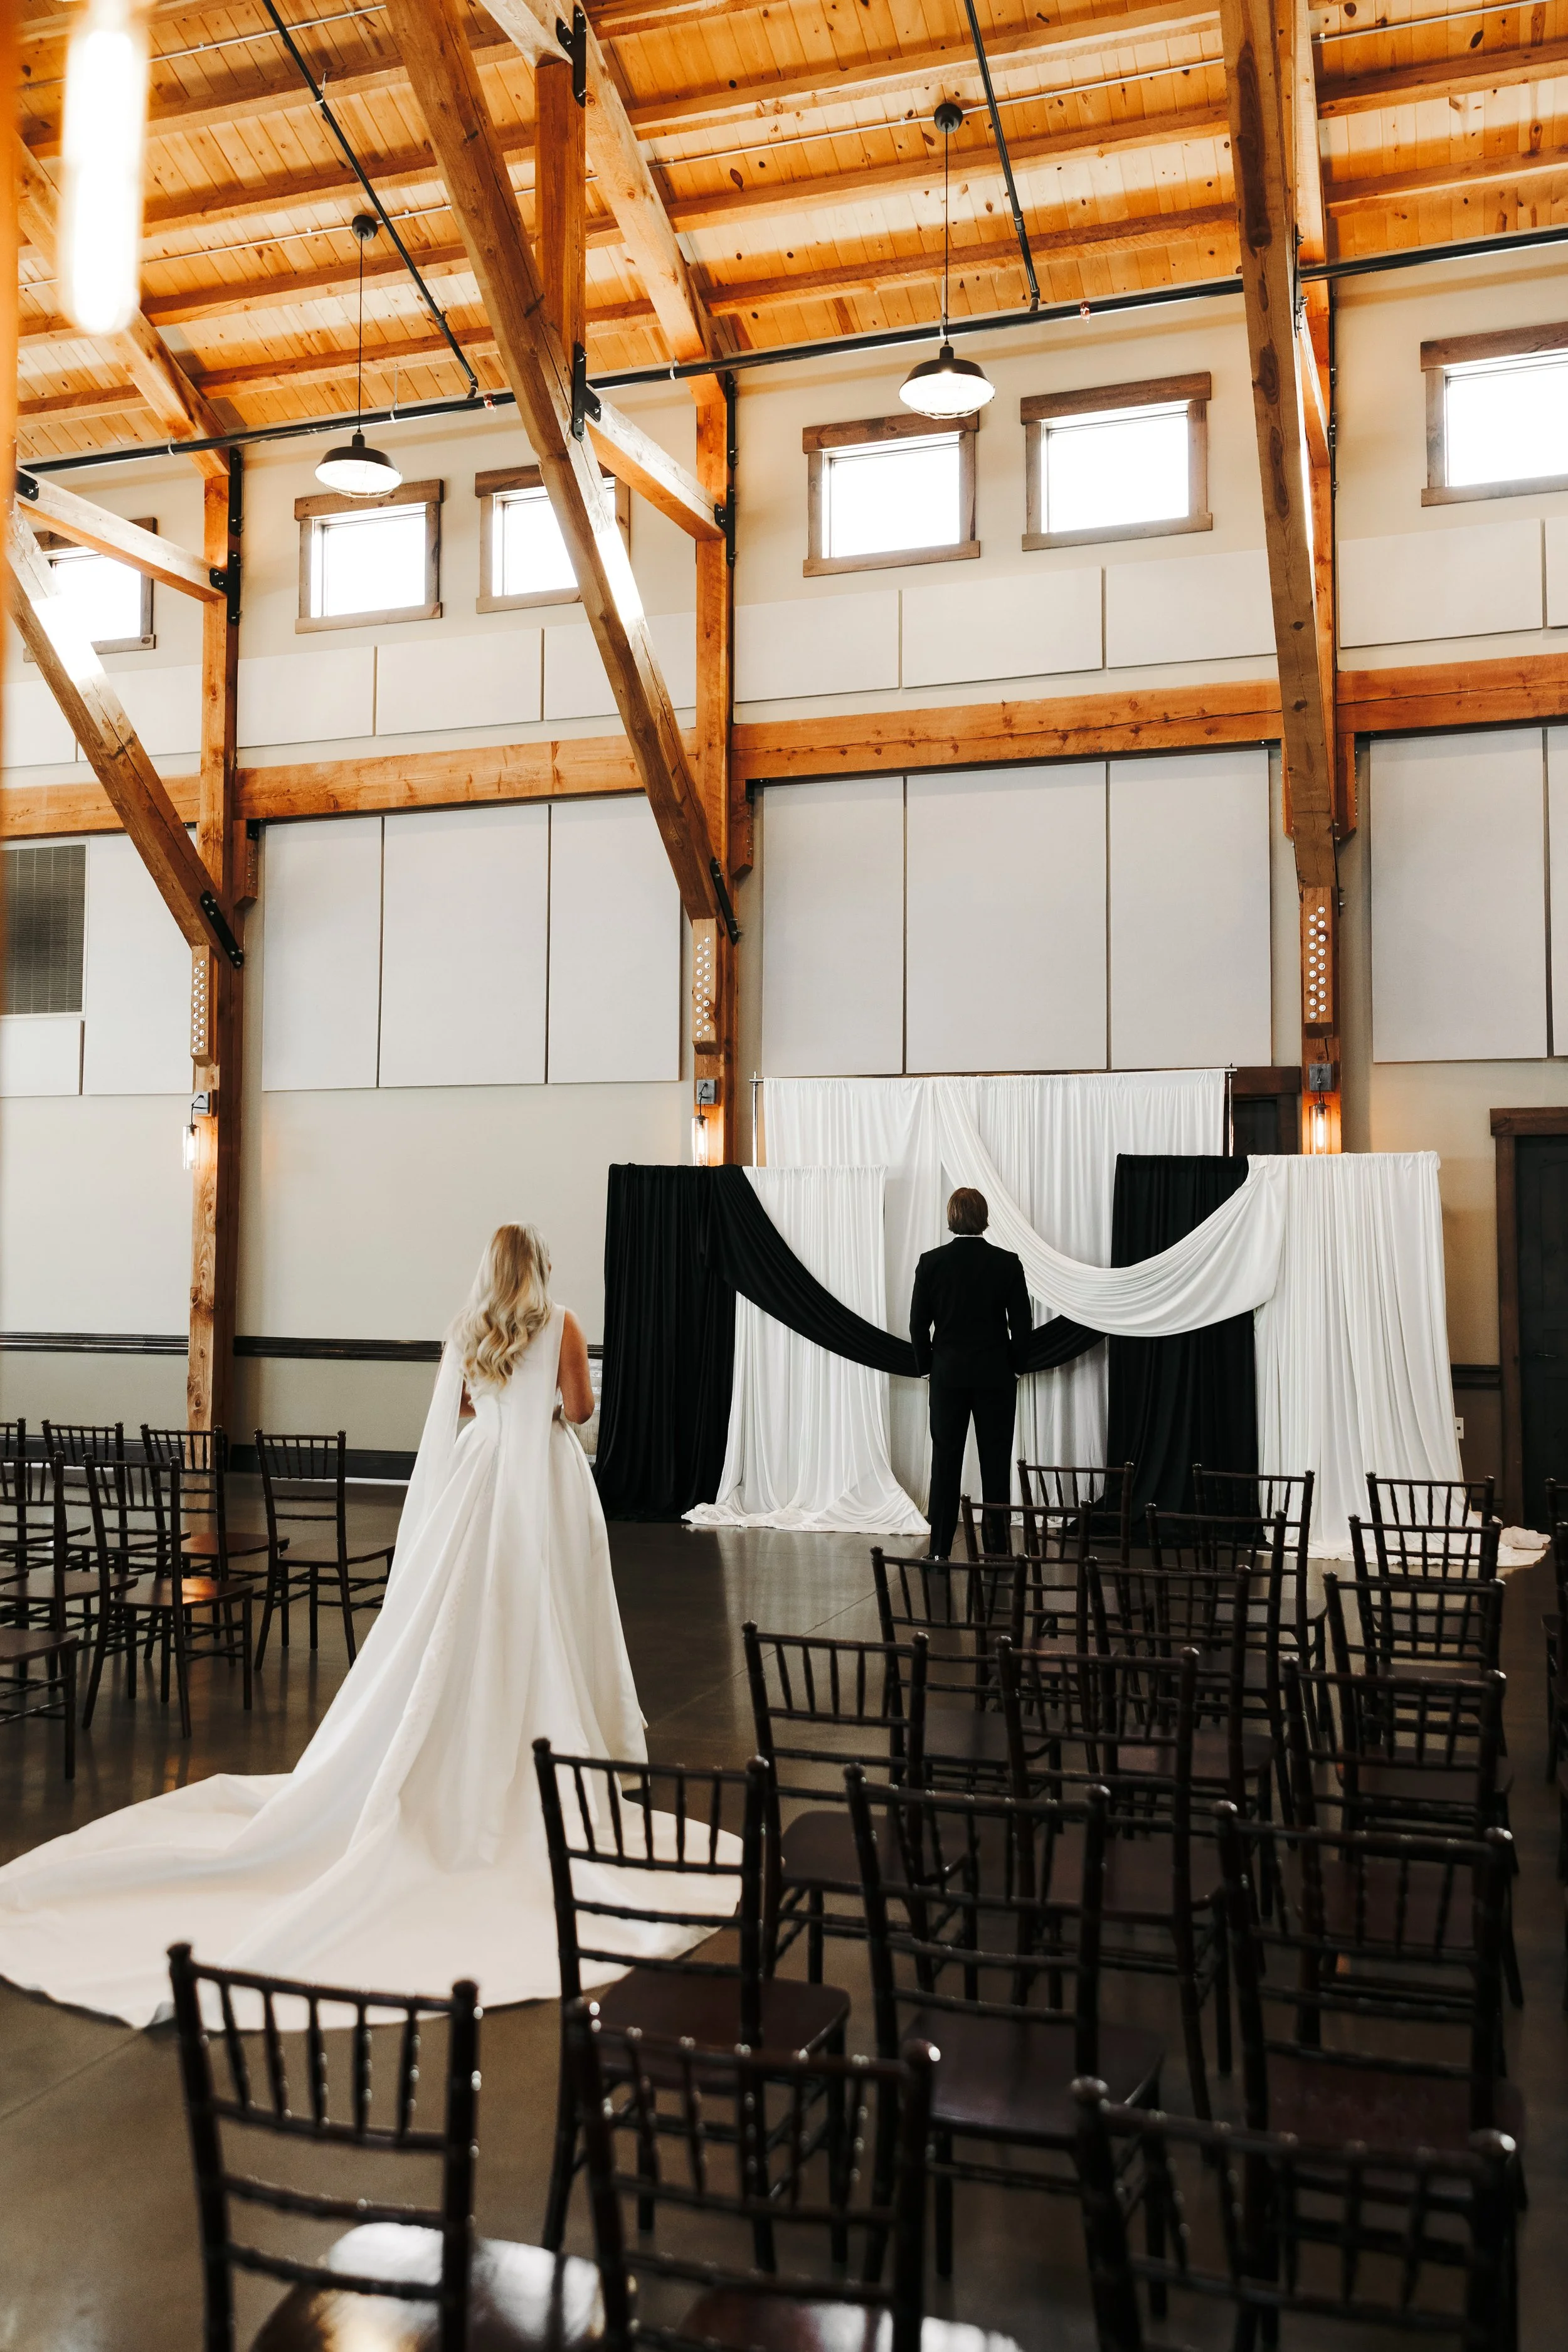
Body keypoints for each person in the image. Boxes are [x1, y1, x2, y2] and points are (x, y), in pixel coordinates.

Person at [0, 1225, 737, 2028]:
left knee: (459, 1619)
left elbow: (455, 1413)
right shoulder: (561, 1322)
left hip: (480, 1478)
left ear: (489, 1270)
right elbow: (581, 1410)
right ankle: (545, 1753)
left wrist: (495, 1398)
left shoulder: (468, 1329)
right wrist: (545, 1400)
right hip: (544, 1485)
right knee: (546, 1614)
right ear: (541, 1269)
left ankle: (458, 1746)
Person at [909, 1187, 1032, 1560]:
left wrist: (928, 1368)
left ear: (951, 1218)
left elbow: (918, 1326)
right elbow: (1023, 1326)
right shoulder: (1007, 1262)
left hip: (948, 1378)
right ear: (984, 1218)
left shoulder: (930, 1263)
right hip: (995, 1377)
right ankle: (997, 1553)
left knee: (945, 1463)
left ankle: (940, 1551)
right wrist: (1015, 1369)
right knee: (996, 1465)